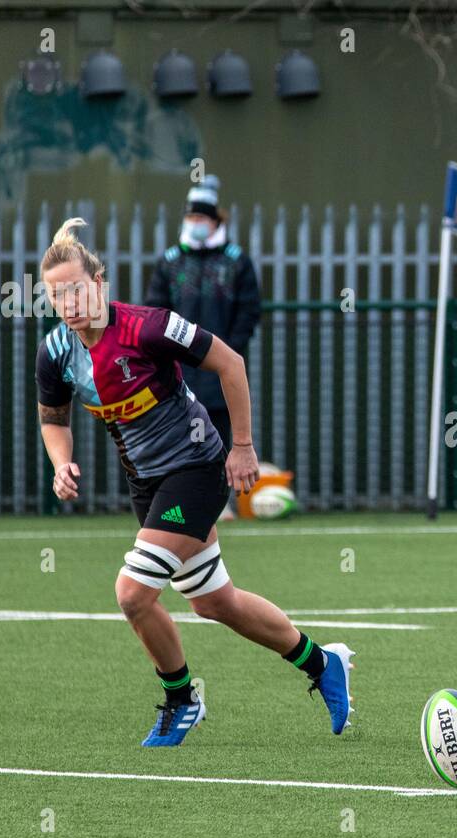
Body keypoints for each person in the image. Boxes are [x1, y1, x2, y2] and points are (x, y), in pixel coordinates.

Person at [35, 217, 353, 747]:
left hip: (197, 470)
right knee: (214, 602)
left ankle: (182, 700)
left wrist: (244, 447)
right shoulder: (56, 353)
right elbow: (53, 418)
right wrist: (60, 463)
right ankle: (323, 663)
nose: (68, 301)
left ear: (99, 284)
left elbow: (230, 362)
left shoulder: (148, 326)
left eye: (76, 288)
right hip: (149, 486)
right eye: (55, 294)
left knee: (132, 594)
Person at [144, 174, 261, 520]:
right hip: (177, 370)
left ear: (215, 221)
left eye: (202, 218)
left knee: (220, 436)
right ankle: (173, 502)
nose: (196, 224)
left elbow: (249, 310)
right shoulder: (170, 261)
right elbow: (156, 311)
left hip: (219, 371)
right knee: (175, 436)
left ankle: (221, 502)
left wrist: (228, 351)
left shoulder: (236, 261)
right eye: (191, 217)